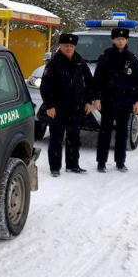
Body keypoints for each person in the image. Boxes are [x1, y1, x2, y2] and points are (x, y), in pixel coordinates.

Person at [39, 33, 96, 176]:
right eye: (66, 46)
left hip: (76, 107)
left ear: (74, 47)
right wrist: (50, 106)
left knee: (74, 138)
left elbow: (90, 83)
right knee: (56, 139)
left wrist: (88, 101)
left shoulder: (80, 62)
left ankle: (72, 165)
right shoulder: (53, 64)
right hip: (58, 109)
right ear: (61, 46)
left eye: (71, 46)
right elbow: (45, 87)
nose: (69, 48)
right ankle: (55, 168)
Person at [93, 27, 138, 173]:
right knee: (105, 132)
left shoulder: (132, 59)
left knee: (122, 133)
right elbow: (97, 80)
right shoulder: (105, 57)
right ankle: (101, 162)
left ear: (126, 40)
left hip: (125, 101)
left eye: (123, 39)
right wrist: (96, 98)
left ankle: (120, 161)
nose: (120, 41)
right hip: (108, 100)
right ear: (113, 40)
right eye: (117, 39)